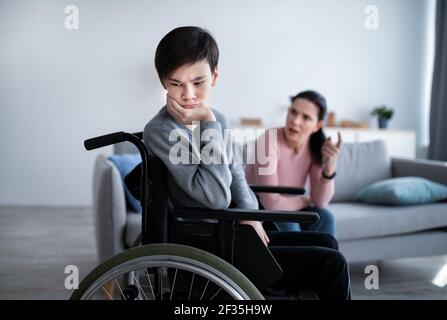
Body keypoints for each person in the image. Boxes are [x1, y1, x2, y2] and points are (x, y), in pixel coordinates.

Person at [143, 26, 351, 300]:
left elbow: (236, 174)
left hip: (233, 231)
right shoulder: (163, 131)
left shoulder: (217, 118)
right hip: (209, 241)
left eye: (198, 82)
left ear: (214, 77)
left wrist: (250, 216)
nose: (189, 95)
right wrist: (207, 125)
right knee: (333, 265)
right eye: (176, 83)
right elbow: (215, 197)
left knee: (327, 241)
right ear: (163, 82)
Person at [247, 91, 341, 236]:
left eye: (306, 117)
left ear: (318, 126)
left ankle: (325, 259)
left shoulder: (315, 146)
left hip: (287, 208)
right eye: (293, 112)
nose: (295, 121)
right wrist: (305, 201)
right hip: (259, 210)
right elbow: (270, 203)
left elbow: (319, 202)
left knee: (326, 218)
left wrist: (329, 170)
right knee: (290, 223)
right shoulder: (268, 140)